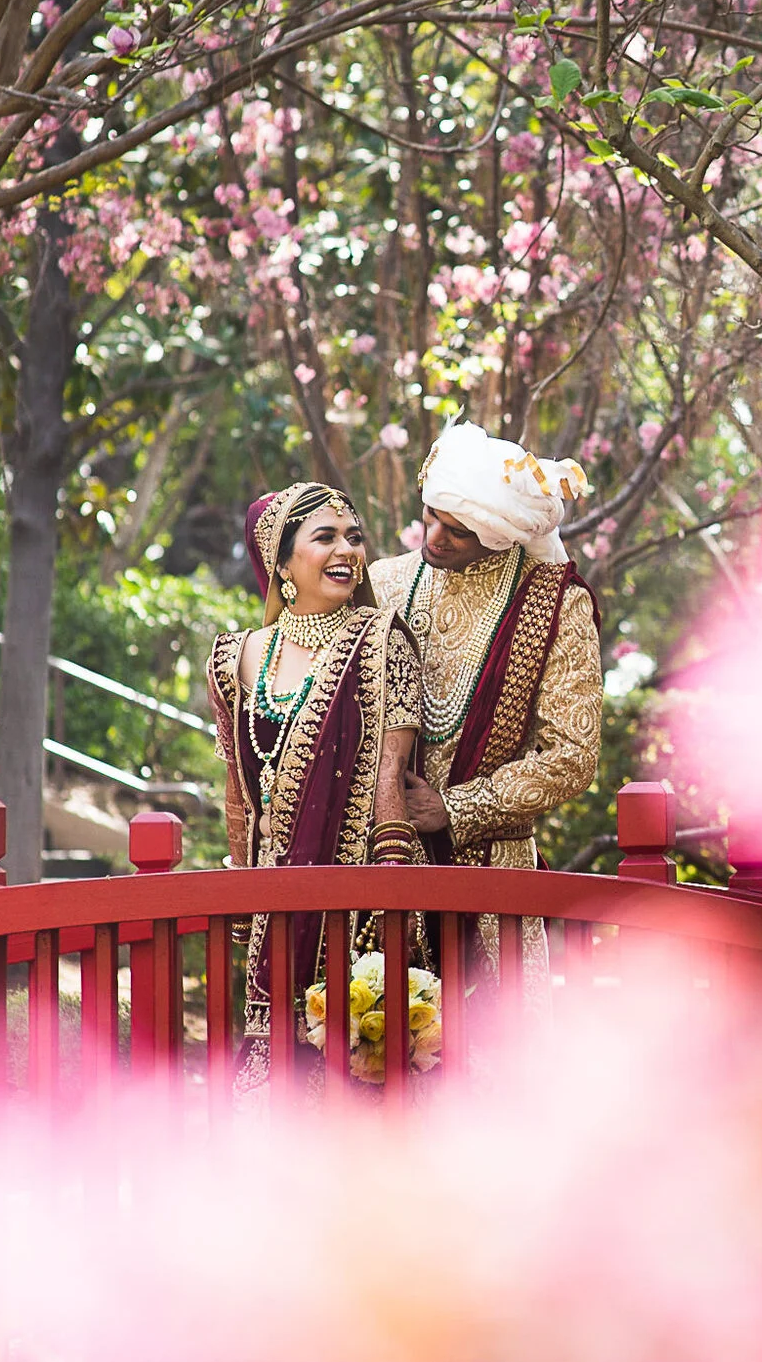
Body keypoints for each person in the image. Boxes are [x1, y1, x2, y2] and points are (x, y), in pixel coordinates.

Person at [205, 482, 425, 1073]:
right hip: (270, 910)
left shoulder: (382, 643)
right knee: (269, 1083)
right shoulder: (234, 658)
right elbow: (237, 792)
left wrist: (390, 912)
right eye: (325, 537)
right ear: (281, 562)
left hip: (356, 911)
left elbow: (389, 787)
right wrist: (242, 894)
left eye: (354, 537)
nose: (347, 551)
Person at [369, 424, 601, 873]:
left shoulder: (555, 603)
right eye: (431, 516)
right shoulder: (385, 581)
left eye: (457, 531)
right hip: (381, 861)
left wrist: (455, 808)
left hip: (493, 874)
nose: (434, 537)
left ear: (499, 536)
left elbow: (572, 754)